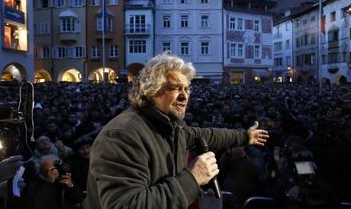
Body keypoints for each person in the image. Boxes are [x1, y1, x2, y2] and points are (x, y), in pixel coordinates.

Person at [86, 52, 269, 209]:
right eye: (175, 88)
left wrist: (245, 136)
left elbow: (208, 135)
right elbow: (127, 205)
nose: (184, 96)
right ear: (152, 90)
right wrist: (192, 178)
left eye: (187, 89)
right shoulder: (122, 135)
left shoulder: (172, 128)